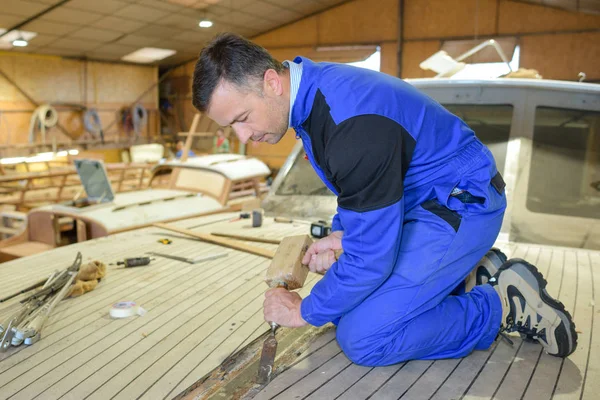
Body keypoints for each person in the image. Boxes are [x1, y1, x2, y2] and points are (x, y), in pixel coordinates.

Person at [191, 33, 577, 366]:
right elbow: (360, 193)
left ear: (272, 82)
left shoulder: (349, 124)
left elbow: (371, 258)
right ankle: (465, 275)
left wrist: (303, 311)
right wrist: (342, 236)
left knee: (364, 337)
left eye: (242, 118)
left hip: (459, 205)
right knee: (346, 304)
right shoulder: (314, 95)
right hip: (420, 204)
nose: (242, 137)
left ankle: (500, 305)